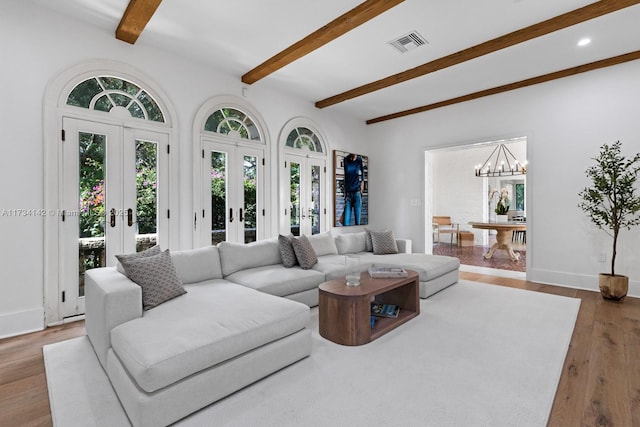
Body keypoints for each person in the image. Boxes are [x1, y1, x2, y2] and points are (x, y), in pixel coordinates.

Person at [342, 153, 364, 226]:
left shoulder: (359, 160)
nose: (355, 157)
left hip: (357, 193)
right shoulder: (345, 159)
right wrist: (344, 194)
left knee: (358, 223)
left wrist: (362, 182)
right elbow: (345, 176)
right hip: (348, 195)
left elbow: (363, 172)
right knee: (345, 223)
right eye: (354, 156)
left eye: (355, 156)